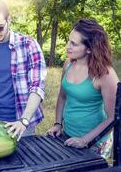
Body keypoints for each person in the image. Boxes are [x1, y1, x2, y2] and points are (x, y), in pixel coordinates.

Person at [0, 0, 47, 141]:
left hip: (21, 121)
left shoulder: (29, 45)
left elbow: (37, 87)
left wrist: (24, 121)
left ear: (9, 20)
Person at [47, 19, 119, 159]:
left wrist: (85, 140)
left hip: (95, 143)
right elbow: (62, 97)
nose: (67, 46)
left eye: (73, 43)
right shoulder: (68, 64)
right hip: (68, 136)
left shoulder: (105, 74)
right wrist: (57, 124)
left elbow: (113, 118)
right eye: (68, 41)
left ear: (90, 48)